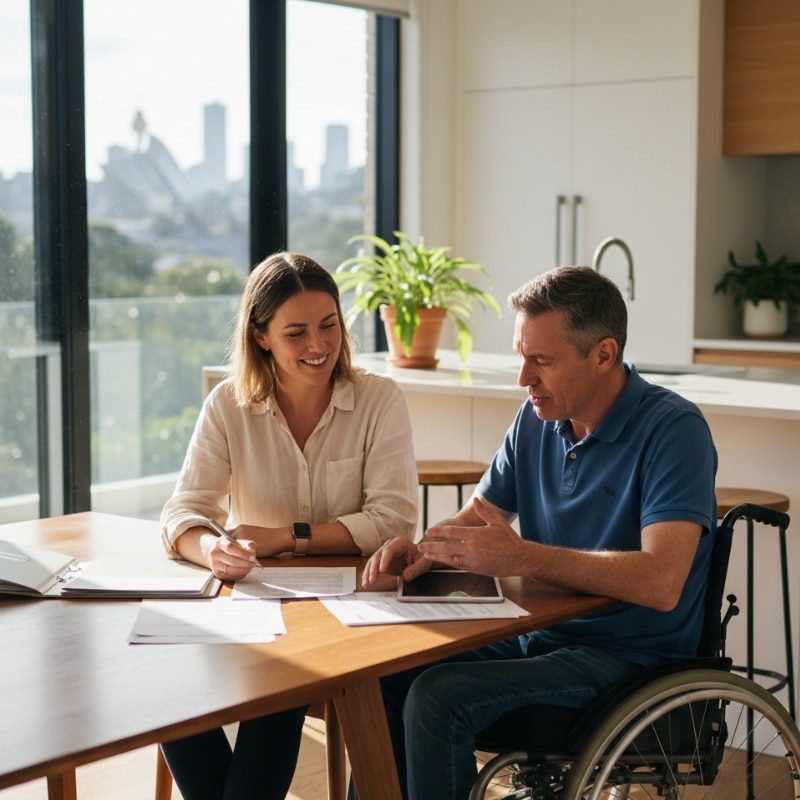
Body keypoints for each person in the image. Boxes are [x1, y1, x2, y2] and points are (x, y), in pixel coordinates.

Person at [361, 265, 718, 800]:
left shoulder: (673, 431)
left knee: (439, 695)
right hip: (540, 639)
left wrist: (525, 557)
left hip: (632, 662)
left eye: (542, 361)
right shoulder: (537, 419)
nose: (523, 377)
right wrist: (425, 550)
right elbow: (483, 516)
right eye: (521, 356)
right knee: (380, 676)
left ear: (602, 354)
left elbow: (662, 581)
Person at [159, 251, 419, 800]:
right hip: (259, 607)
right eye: (296, 332)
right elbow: (181, 513)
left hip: (354, 612)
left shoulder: (378, 400)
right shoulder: (228, 406)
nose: (318, 345)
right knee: (167, 685)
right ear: (261, 337)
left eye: (328, 325)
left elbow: (393, 519)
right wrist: (213, 550)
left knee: (281, 685)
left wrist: (286, 537)